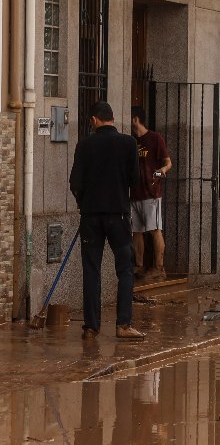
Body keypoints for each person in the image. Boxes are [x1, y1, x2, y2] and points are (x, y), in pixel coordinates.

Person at [68, 102, 145, 340]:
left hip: (90, 217)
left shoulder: (84, 145)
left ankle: (91, 326)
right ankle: (123, 325)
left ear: (94, 120)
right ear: (112, 119)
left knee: (91, 270)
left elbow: (75, 184)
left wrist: (83, 202)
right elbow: (136, 180)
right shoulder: (128, 143)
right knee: (125, 269)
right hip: (118, 217)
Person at [129, 106, 173, 281]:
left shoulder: (155, 139)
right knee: (136, 231)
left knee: (155, 229)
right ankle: (139, 266)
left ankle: (159, 267)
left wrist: (161, 171)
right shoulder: (131, 141)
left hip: (151, 193)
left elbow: (168, 163)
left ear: (135, 119)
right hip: (134, 193)